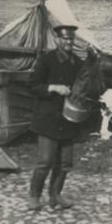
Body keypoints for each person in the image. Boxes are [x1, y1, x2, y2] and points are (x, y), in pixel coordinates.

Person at [27, 24, 83, 211]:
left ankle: (55, 195)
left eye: (71, 39)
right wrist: (53, 88)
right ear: (58, 40)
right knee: (45, 161)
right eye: (65, 39)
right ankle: (34, 196)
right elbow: (33, 86)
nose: (68, 42)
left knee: (65, 162)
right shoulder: (46, 60)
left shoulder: (77, 63)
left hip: (68, 118)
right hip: (48, 118)